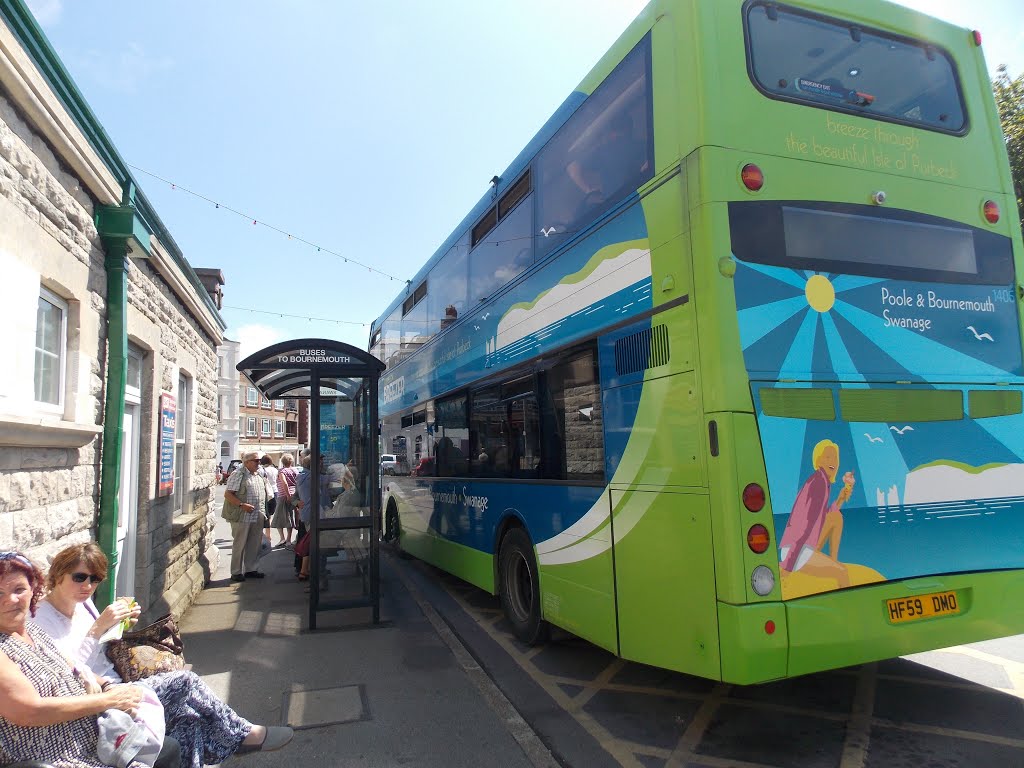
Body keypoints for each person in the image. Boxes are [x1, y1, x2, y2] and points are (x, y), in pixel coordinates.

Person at [31, 544, 293, 767]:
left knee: (187, 721)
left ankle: (226, 745)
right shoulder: (41, 619)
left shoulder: (82, 604)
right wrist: (98, 627)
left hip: (118, 681)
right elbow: (68, 673)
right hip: (99, 700)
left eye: (95, 579)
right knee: (184, 682)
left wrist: (118, 626)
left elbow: (100, 649)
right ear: (58, 574)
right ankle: (243, 735)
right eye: (80, 577)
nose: (88, 585)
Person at [0, 550, 181, 768]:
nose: (11, 599)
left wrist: (108, 686)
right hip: (52, 755)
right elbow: (30, 711)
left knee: (170, 744)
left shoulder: (31, 630)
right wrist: (108, 701)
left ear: (33, 590)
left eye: (19, 589)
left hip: (89, 737)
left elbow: (71, 665)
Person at [777, 440, 854, 588]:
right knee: (842, 572)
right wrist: (787, 567)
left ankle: (833, 562)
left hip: (801, 546)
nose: (833, 462)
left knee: (836, 517)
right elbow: (805, 526)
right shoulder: (818, 483)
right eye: (828, 457)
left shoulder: (822, 480)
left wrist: (840, 499)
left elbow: (823, 517)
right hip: (796, 552)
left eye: (835, 458)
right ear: (818, 460)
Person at [566, 110, 648, 215]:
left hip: (613, 207)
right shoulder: (641, 145)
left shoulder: (604, 151)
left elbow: (572, 167)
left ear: (611, 132)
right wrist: (643, 172)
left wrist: (588, 190)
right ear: (630, 129)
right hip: (640, 198)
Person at [223, 451, 269, 582]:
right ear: (247, 462)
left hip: (257, 514)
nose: (259, 463)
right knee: (240, 543)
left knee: (254, 543)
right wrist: (242, 504)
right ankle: (236, 572)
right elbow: (228, 494)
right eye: (256, 460)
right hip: (242, 514)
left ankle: (251, 569)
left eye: (259, 460)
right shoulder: (238, 474)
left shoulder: (258, 474)